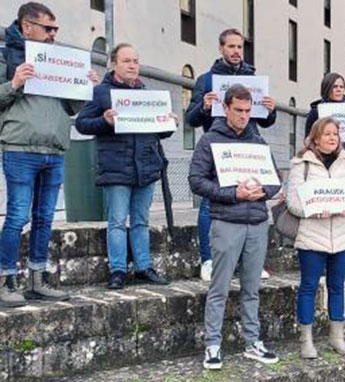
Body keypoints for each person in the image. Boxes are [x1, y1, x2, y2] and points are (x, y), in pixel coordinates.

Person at [0, 2, 100, 306]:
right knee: (17, 215)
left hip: (55, 150)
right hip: (20, 148)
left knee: (44, 218)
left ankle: (37, 280)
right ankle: (6, 282)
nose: (53, 34)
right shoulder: (5, 57)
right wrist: (15, 82)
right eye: (48, 28)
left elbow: (70, 108)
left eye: (55, 29)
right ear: (27, 26)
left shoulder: (58, 60)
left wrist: (86, 89)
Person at [189, 85, 280, 370]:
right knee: (220, 287)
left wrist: (263, 190)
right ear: (226, 108)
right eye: (238, 110)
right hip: (226, 221)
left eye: (247, 110)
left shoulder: (258, 141)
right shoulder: (210, 140)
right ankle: (213, 345)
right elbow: (196, 180)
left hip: (256, 221)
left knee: (252, 287)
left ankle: (252, 341)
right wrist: (233, 194)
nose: (243, 116)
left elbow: (275, 179)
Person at [74, 43, 175, 289]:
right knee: (117, 221)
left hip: (146, 167)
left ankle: (143, 267)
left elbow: (157, 133)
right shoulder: (101, 93)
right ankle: (117, 271)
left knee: (141, 220)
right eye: (127, 61)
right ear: (114, 64)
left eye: (135, 61)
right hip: (117, 167)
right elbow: (82, 124)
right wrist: (104, 121)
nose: (132, 65)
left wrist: (168, 123)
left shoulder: (147, 94)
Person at [185, 28, 276, 282]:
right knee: (208, 204)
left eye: (240, 47)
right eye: (231, 47)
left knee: (252, 199)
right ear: (221, 48)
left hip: (248, 147)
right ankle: (208, 259)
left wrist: (270, 110)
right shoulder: (206, 79)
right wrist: (203, 106)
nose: (236, 51)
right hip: (218, 148)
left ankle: (251, 262)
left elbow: (264, 121)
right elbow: (190, 119)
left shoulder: (252, 77)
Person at [285, 117, 345, 359]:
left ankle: (337, 337)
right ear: (315, 137)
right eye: (327, 134)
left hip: (341, 234)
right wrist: (315, 209)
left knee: (337, 287)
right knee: (308, 287)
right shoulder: (301, 165)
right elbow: (293, 202)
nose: (332, 138)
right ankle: (306, 340)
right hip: (311, 235)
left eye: (335, 134)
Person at [304, 72, 345, 162]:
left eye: (341, 87)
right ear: (327, 88)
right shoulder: (316, 112)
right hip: (323, 162)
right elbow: (308, 140)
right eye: (335, 87)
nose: (339, 90)